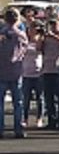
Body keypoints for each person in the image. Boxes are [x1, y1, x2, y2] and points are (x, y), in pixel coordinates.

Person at [38, 18, 59, 130]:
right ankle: (51, 120)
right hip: (47, 68)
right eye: (50, 24)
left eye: (54, 24)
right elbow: (38, 48)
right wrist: (42, 37)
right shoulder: (46, 35)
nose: (52, 26)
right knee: (49, 97)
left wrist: (53, 36)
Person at [0, 9, 28, 138]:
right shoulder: (21, 35)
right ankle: (18, 129)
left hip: (1, 71)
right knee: (18, 102)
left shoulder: (1, 34)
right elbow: (25, 51)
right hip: (16, 71)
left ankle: (0, 128)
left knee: (0, 103)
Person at [20, 25, 43, 130]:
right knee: (26, 98)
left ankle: (39, 118)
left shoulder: (41, 41)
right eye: (31, 29)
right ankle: (25, 118)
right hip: (26, 73)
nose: (32, 31)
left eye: (35, 29)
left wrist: (39, 37)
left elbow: (39, 49)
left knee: (40, 98)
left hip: (38, 73)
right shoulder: (24, 41)